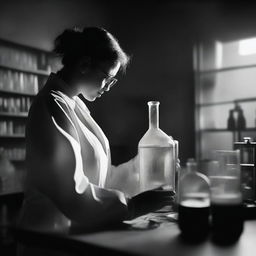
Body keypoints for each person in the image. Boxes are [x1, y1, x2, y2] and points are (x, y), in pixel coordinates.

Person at [18, 27, 174, 233]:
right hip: (50, 239)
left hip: (77, 235)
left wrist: (141, 164)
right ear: (84, 64)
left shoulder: (76, 105)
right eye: (107, 78)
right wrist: (133, 206)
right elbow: (72, 192)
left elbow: (103, 180)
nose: (109, 87)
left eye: (113, 81)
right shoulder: (50, 105)